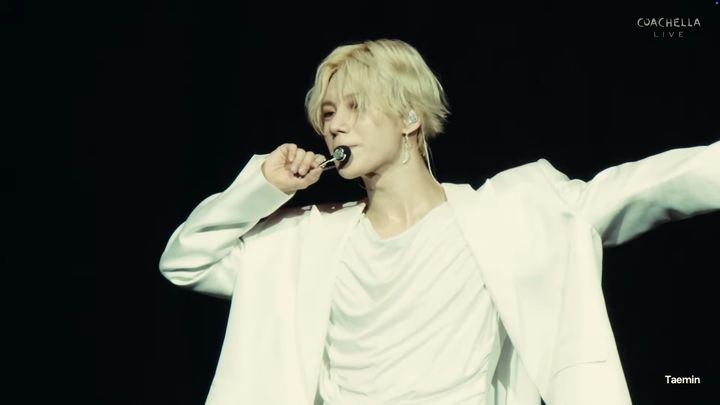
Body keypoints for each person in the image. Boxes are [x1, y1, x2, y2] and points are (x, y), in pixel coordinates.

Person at [158, 39, 720, 405]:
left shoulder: (506, 213)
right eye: (328, 114)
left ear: (408, 116)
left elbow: (648, 185)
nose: (335, 126)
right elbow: (186, 261)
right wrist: (262, 185)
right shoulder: (305, 239)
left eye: (355, 106)